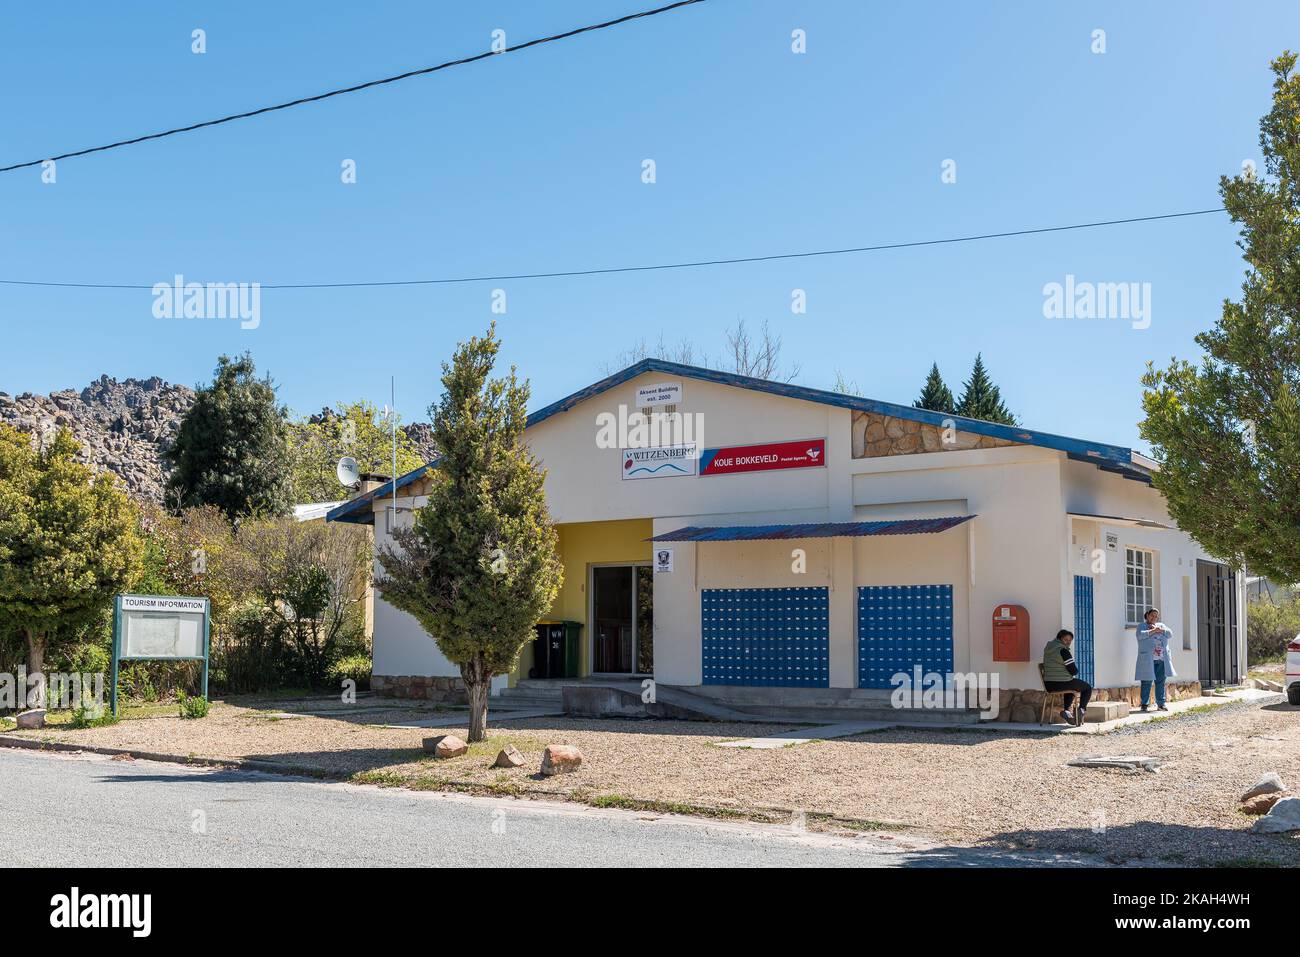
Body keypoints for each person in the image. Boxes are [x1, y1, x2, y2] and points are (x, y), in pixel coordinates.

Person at [1042, 628, 1092, 725]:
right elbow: (1073, 671)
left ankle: (1067, 712)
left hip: (1048, 684)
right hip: (1061, 683)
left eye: (1070, 640)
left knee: (1072, 685)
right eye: (1066, 640)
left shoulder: (1048, 649)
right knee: (1087, 688)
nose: (1068, 642)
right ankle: (1081, 710)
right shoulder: (1063, 651)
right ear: (1059, 639)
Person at [1135, 607, 1177, 712]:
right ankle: (1144, 704)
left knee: (1160, 682)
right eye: (1152, 615)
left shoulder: (1161, 626)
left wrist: (1160, 630)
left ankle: (1161, 704)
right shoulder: (1142, 626)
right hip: (1148, 660)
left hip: (1162, 659)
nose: (1154, 617)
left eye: (1156, 616)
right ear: (1147, 616)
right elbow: (1140, 636)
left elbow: (1170, 634)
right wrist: (1153, 631)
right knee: (1146, 682)